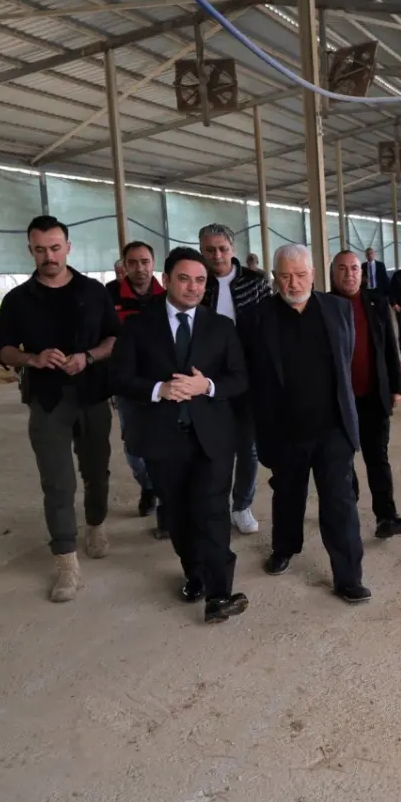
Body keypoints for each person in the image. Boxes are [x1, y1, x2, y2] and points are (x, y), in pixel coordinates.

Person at [111, 248, 251, 623]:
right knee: (178, 513)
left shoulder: (221, 327)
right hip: (162, 439)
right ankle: (194, 574)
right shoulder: (138, 327)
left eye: (200, 281)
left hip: (212, 438)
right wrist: (159, 389)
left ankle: (219, 594)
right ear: (167, 280)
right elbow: (119, 378)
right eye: (185, 279)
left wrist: (208, 385)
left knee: (213, 513)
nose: (193, 287)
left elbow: (240, 379)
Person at [0, 216, 119, 602]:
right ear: (30, 251)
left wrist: (88, 356)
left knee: (96, 471)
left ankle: (95, 524)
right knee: (58, 482)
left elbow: (115, 337)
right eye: (40, 249)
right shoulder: (17, 300)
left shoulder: (93, 291)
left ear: (68, 247)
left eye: (55, 247)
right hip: (47, 401)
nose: (49, 256)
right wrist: (32, 358)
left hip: (92, 396)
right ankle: (66, 563)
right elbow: (2, 348)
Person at [237, 244, 371, 604]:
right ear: (274, 277)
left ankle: (349, 577)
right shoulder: (255, 318)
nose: (293, 283)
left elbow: (345, 358)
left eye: (299, 274)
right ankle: (285, 547)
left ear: (313, 274)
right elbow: (248, 373)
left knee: (339, 502)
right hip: (283, 428)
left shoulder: (338, 309)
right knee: (287, 494)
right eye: (284, 276)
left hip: (332, 428)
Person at [330, 250, 401, 539]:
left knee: (378, 457)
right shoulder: (324, 306)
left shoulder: (377, 302)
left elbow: (390, 345)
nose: (349, 274)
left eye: (354, 268)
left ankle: (386, 517)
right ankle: (348, 511)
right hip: (338, 401)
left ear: (362, 273)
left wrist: (396, 386)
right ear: (333, 273)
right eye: (342, 269)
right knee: (342, 460)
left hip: (373, 395)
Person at [198, 223, 272, 536]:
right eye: (209, 249)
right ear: (202, 251)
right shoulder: (197, 282)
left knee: (248, 447)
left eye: (222, 248)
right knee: (211, 447)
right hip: (206, 378)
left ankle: (242, 505)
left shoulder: (256, 282)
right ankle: (212, 506)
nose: (217, 255)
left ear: (233, 249)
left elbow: (269, 326)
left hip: (247, 376)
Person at [105, 241, 165, 520]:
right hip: (127, 384)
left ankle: (166, 502)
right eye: (133, 262)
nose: (140, 268)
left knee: (164, 442)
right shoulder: (110, 296)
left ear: (153, 263)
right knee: (133, 445)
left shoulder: (167, 296)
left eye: (145, 262)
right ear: (124, 266)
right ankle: (148, 486)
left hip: (162, 383)